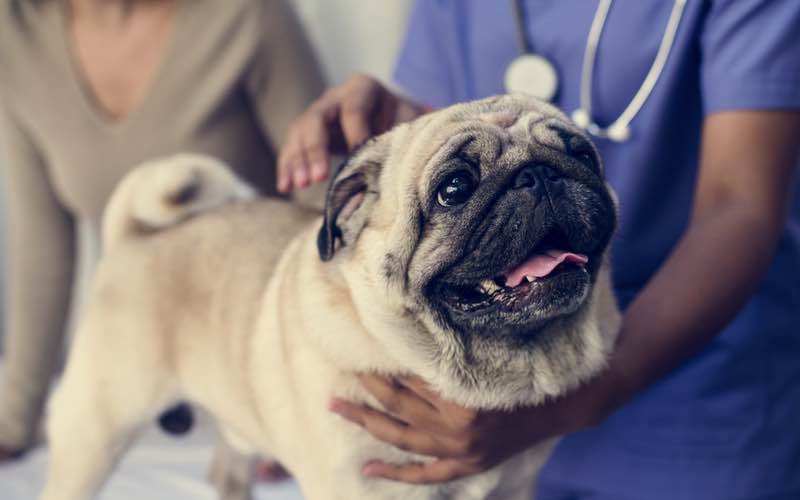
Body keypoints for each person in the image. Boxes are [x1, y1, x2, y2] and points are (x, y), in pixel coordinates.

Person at [277, 1, 800, 498]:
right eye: (457, 187)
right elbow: (456, 130)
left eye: (567, 155)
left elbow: (741, 205)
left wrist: (571, 404)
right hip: (476, 425)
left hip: (698, 411)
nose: (534, 187)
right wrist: (402, 125)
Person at [0, 0, 323, 461]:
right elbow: (42, 249)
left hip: (265, 368)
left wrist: (308, 401)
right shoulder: (14, 36)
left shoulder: (249, 15)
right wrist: (15, 420)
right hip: (138, 355)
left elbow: (326, 207)